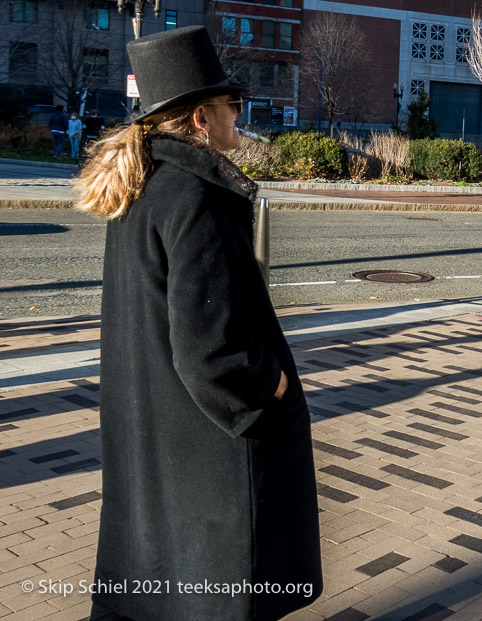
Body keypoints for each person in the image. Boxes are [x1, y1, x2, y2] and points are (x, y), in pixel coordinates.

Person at [75, 26, 322, 621]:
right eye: (229, 103)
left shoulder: (142, 186)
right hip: (212, 460)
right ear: (200, 119)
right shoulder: (196, 196)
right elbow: (212, 352)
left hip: (158, 441)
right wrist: (273, 386)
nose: (240, 112)